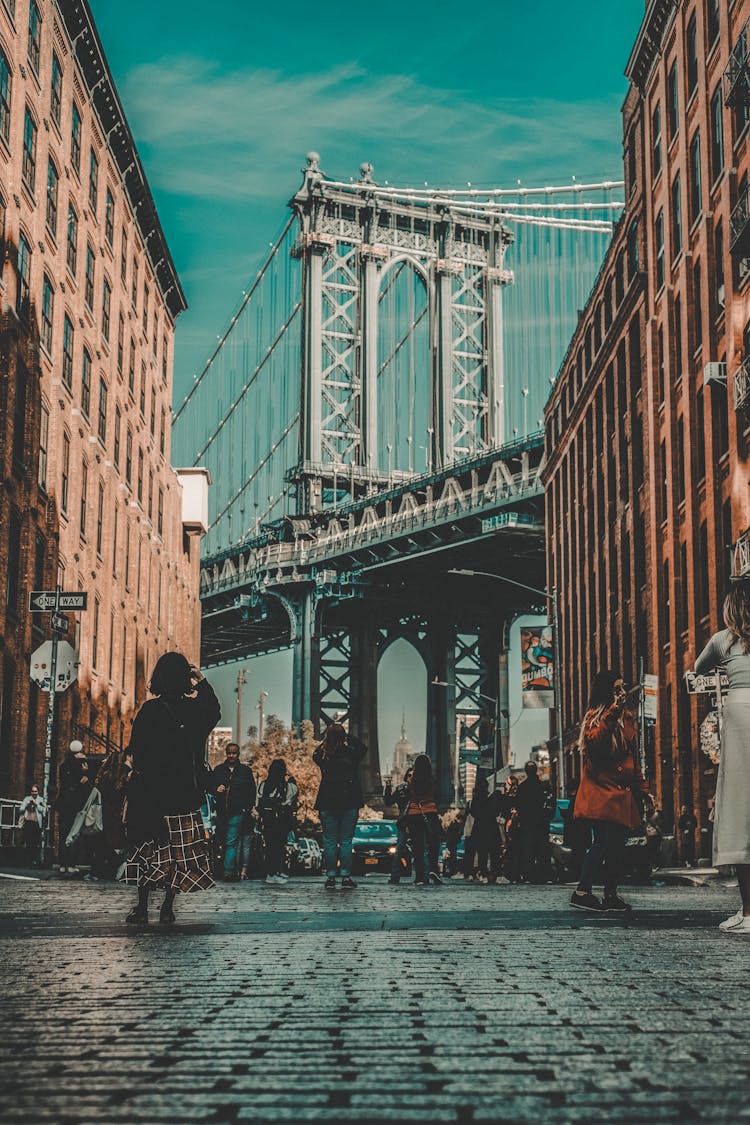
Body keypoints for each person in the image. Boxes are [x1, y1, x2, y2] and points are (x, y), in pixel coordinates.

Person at [121, 653, 221, 926]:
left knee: (148, 850)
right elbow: (214, 710)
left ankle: (141, 908)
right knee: (179, 855)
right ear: (184, 678)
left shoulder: (149, 711)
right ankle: (167, 908)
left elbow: (137, 751)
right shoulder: (195, 711)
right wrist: (200, 681)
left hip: (151, 796)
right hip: (183, 797)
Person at [694, 581, 750, 935]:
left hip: (740, 714)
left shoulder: (722, 640)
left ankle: (748, 913)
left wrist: (725, 667)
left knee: (739, 814)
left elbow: (699, 667)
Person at [571, 670, 647, 912]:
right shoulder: (595, 718)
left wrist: (644, 790)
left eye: (623, 688)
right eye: (616, 689)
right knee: (602, 842)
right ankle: (582, 892)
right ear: (607, 693)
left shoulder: (626, 718)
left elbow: (631, 759)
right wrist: (613, 710)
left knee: (616, 846)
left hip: (621, 794)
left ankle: (610, 894)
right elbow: (596, 744)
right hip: (602, 794)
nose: (622, 693)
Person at [313, 723, 367, 890]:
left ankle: (330, 877)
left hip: (328, 802)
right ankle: (345, 876)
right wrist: (346, 737)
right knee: (346, 841)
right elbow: (362, 747)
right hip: (349, 801)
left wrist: (329, 739)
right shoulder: (351, 754)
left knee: (329, 842)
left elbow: (314, 753)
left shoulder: (322, 755)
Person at [212, 743, 256, 881]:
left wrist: (247, 807)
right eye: (229, 753)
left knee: (231, 842)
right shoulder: (218, 770)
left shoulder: (245, 771)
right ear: (226, 753)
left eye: (234, 753)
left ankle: (228, 871)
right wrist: (215, 789)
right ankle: (226, 870)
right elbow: (210, 786)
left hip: (237, 811)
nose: (231, 755)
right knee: (223, 842)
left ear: (238, 754)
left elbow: (251, 790)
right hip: (220, 812)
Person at [257, 759, 298, 884]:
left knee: (270, 847)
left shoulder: (264, 785)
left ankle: (271, 873)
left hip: (267, 820)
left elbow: (258, 801)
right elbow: (290, 800)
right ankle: (273, 873)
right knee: (278, 847)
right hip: (281, 820)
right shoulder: (287, 787)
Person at [404, 754, 442, 886]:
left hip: (414, 814)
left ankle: (420, 877)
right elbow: (437, 796)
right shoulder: (432, 780)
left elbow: (408, 794)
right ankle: (433, 869)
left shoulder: (411, 779)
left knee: (418, 847)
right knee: (433, 844)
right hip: (430, 813)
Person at [92, 749, 131, 879]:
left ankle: (103, 870)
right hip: (116, 814)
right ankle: (117, 866)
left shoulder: (105, 775)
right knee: (113, 843)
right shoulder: (124, 775)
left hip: (104, 812)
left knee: (102, 843)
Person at [53, 741, 90, 874]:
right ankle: (68, 863)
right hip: (73, 806)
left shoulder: (65, 766)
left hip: (66, 805)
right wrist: (83, 773)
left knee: (65, 834)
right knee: (72, 834)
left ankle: (64, 863)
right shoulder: (78, 767)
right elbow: (77, 785)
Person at [514, 762, 550, 881]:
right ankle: (542, 874)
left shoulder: (523, 787)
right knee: (542, 850)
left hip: (527, 824)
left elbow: (518, 805)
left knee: (528, 850)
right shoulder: (544, 786)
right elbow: (550, 804)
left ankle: (529, 874)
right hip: (541, 823)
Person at [468, 776, 503, 882]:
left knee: (482, 853)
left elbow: (473, 813)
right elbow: (496, 812)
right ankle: (493, 873)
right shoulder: (492, 799)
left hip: (479, 828)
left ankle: (483, 873)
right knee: (494, 852)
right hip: (491, 828)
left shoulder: (475, 800)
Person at [383, 768, 413, 884]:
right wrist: (388, 787)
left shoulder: (419, 788)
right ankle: (395, 877)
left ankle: (423, 876)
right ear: (406, 776)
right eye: (409, 775)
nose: (411, 777)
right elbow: (389, 801)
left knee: (420, 850)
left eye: (413, 775)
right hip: (405, 822)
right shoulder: (402, 789)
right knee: (399, 850)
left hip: (412, 822)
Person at [17, 785, 47, 856]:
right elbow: (21, 809)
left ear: (38, 792)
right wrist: (26, 805)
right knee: (28, 841)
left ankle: (34, 859)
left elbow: (45, 810)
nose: (34, 793)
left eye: (35, 791)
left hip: (36, 823)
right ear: (31, 792)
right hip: (28, 822)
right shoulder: (27, 799)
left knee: (35, 842)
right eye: (33, 791)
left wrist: (37, 805)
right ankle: (28, 860)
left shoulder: (41, 800)